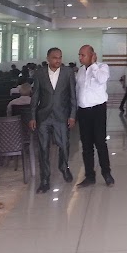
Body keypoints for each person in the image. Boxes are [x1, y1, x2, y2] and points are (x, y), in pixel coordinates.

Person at [29, 47, 77, 193]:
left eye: (60, 57)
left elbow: (73, 95)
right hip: (43, 116)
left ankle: (63, 166)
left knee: (64, 145)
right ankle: (45, 179)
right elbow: (35, 96)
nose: (58, 60)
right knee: (43, 149)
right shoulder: (40, 73)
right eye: (55, 58)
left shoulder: (68, 72)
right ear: (48, 59)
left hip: (61, 116)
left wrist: (72, 115)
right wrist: (32, 117)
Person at [76, 45, 114, 187]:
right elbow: (78, 90)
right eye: (79, 55)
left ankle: (106, 173)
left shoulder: (102, 67)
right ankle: (89, 176)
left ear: (92, 55)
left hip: (97, 110)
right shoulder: (80, 71)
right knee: (86, 146)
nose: (80, 58)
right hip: (83, 111)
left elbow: (102, 79)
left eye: (83, 55)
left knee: (100, 143)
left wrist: (93, 65)